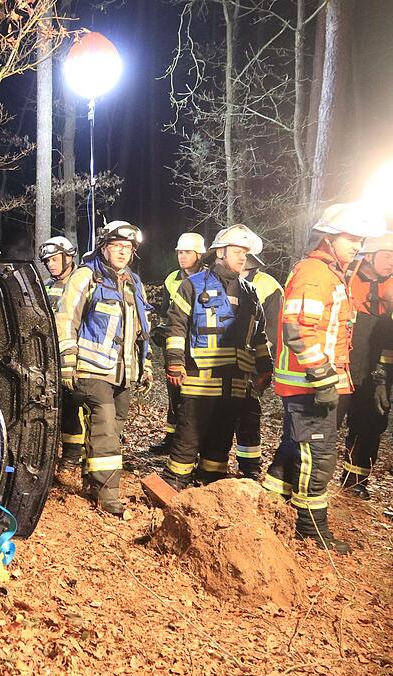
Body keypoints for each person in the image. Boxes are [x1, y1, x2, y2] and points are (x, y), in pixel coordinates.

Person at [263, 202, 387, 555]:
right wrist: (321, 378)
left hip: (313, 384)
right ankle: (311, 529)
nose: (357, 245)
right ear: (330, 237)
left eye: (361, 239)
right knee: (318, 457)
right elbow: (298, 328)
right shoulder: (315, 273)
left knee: (293, 449)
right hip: (309, 386)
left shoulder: (331, 273)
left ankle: (268, 506)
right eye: (351, 238)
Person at [161, 224, 271, 489]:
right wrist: (175, 361)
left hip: (235, 382)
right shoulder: (193, 285)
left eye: (245, 253)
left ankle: (210, 487)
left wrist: (265, 366)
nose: (243, 257)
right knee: (188, 437)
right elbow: (176, 325)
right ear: (220, 251)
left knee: (220, 441)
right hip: (200, 379)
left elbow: (259, 334)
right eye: (237, 251)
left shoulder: (250, 292)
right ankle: (172, 485)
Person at [56, 221, 152, 516]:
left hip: (122, 372)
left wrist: (145, 364)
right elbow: (66, 319)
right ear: (104, 247)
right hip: (90, 369)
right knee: (106, 429)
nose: (122, 252)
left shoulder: (134, 283)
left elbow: (141, 330)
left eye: (127, 248)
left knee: (113, 429)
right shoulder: (87, 276)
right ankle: (109, 494)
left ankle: (92, 481)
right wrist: (67, 361)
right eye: (117, 246)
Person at [339, 232, 393, 499]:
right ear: (370, 257)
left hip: (377, 371)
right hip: (344, 364)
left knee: (371, 423)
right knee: (328, 421)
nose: (392, 262)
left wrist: (383, 376)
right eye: (387, 256)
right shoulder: (347, 277)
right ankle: (308, 476)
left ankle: (355, 480)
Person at [149, 233, 206, 455]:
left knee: (195, 396)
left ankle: (193, 440)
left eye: (187, 252)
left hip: (199, 346)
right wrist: (161, 330)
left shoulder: (207, 279)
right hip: (175, 345)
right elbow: (165, 312)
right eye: (180, 252)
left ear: (198, 254)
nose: (182, 257)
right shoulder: (172, 279)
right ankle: (171, 438)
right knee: (174, 393)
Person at [233, 254, 284, 478]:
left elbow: (272, 328)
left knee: (248, 414)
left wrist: (260, 361)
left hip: (251, 365)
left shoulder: (267, 285)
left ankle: (250, 465)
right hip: (224, 362)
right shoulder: (223, 281)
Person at [40, 236, 84, 466]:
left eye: (55, 259)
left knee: (73, 405)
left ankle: (73, 454)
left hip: (76, 355)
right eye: (48, 261)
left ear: (68, 257)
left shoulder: (81, 283)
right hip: (49, 355)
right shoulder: (46, 286)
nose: (51, 265)